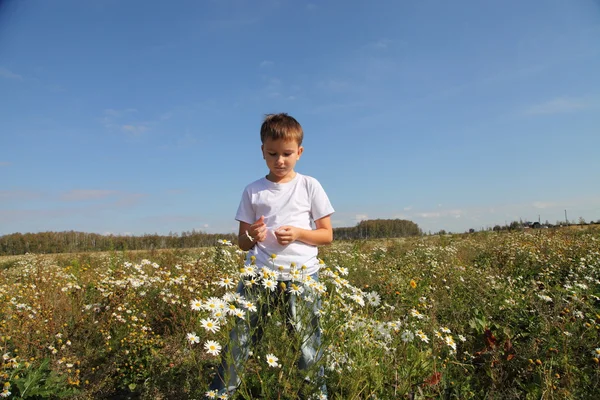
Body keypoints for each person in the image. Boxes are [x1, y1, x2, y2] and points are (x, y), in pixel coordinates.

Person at [208, 113, 334, 398]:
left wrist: (300, 233)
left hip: (302, 276)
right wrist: (253, 235)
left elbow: (326, 234)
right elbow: (242, 242)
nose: (280, 160)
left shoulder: (309, 186)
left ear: (299, 152)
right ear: (262, 152)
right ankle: (221, 393)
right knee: (240, 338)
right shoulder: (253, 190)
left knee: (307, 342)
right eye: (272, 154)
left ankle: (315, 394)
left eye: (287, 154)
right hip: (258, 275)